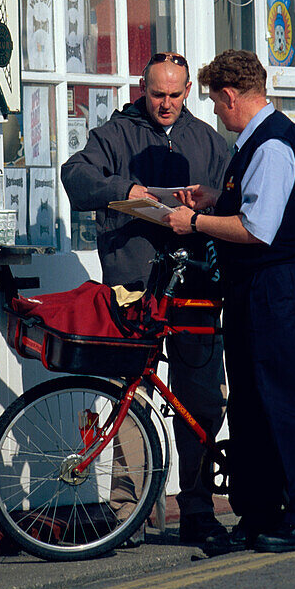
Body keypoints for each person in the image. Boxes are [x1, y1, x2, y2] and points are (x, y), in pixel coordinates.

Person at [61, 52, 230, 545]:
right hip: (133, 288)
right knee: (128, 399)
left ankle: (197, 509)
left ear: (187, 92)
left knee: (199, 400)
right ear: (142, 87)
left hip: (196, 289)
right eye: (158, 94)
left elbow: (236, 201)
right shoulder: (115, 133)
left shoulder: (208, 141)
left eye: (177, 94)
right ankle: (125, 513)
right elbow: (75, 177)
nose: (167, 104)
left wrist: (208, 203)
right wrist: (126, 188)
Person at [165, 49, 295, 554]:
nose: (215, 111)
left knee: (286, 403)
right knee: (252, 406)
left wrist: (193, 222)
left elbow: (257, 229)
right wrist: (217, 198)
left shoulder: (273, 144)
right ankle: (259, 514)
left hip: (276, 287)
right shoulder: (255, 141)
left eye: (215, 102)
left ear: (232, 96)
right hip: (254, 290)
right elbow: (252, 206)